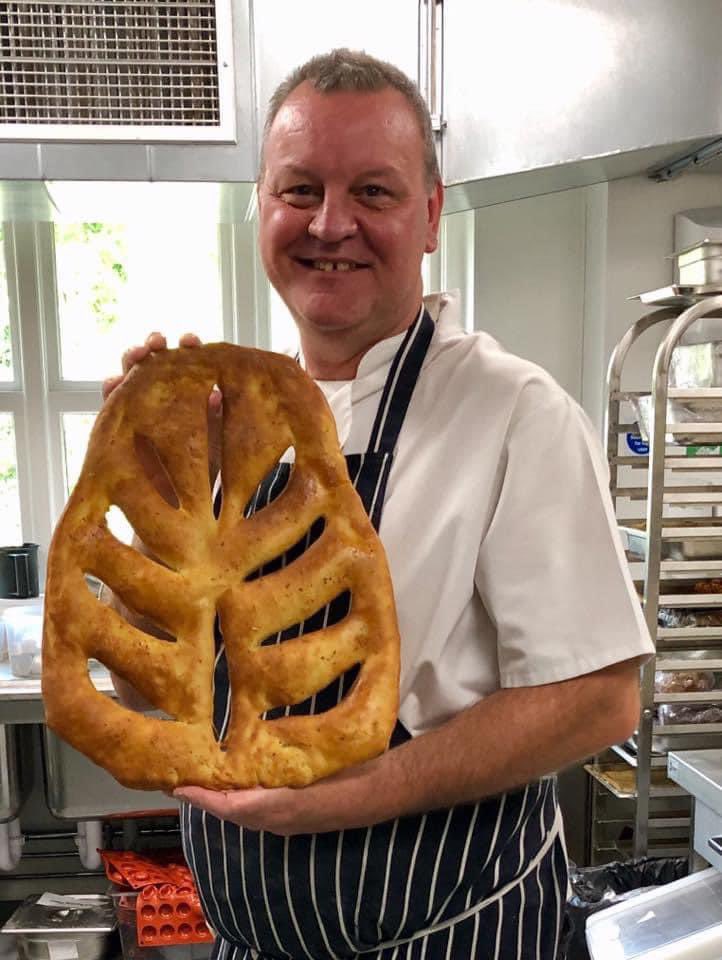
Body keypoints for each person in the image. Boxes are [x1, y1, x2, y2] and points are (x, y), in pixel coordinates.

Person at [104, 49, 654, 960]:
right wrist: (152, 507)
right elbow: (151, 687)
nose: (331, 224)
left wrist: (339, 797)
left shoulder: (513, 415)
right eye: (299, 189)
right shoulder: (230, 420)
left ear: (431, 215)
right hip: (252, 940)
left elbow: (598, 701)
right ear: (260, 208)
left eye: (374, 191)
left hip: (452, 933)